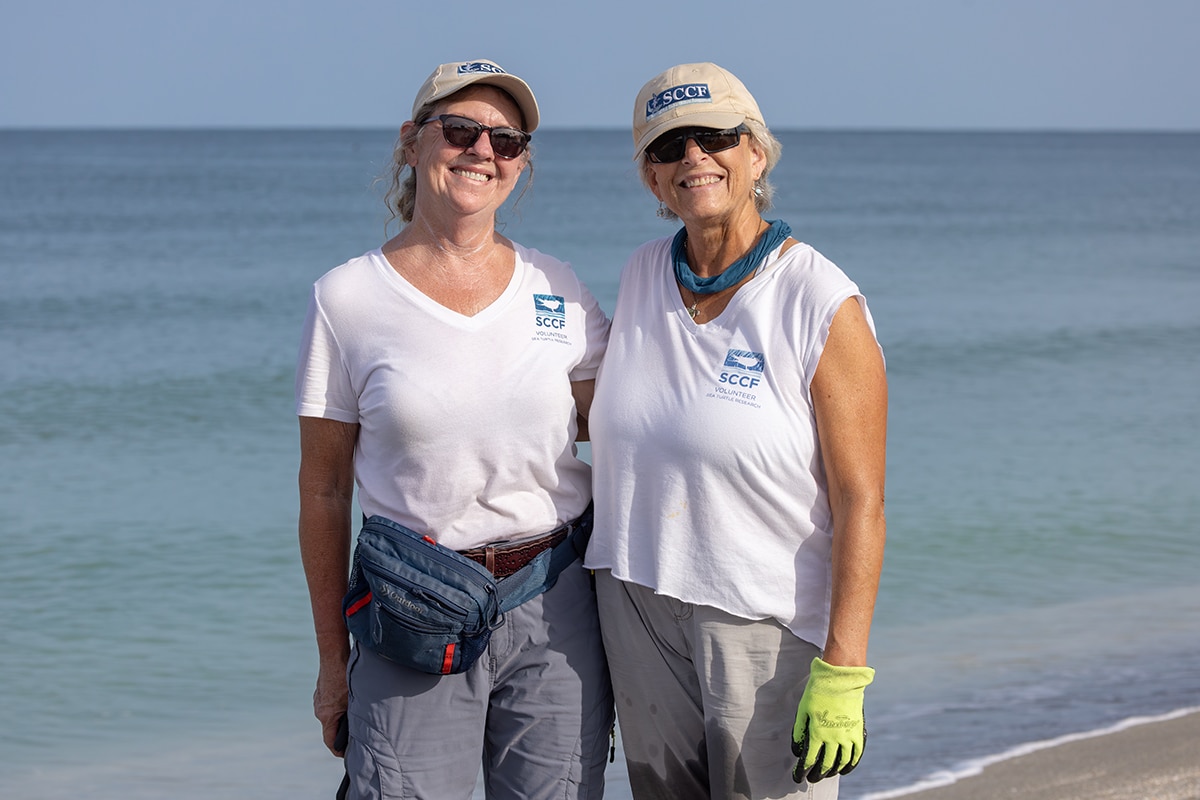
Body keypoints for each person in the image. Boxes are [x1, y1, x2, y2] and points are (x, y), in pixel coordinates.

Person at [296, 59, 613, 800]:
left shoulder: (558, 288)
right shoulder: (346, 298)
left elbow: (631, 435)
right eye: (462, 130)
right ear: (413, 142)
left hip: (554, 600)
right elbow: (322, 491)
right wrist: (331, 661)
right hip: (412, 610)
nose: (483, 151)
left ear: (521, 163)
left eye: (507, 140)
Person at [584, 63, 888, 800]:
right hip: (636, 605)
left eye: (716, 136)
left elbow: (862, 503)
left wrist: (844, 673)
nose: (693, 156)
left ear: (756, 153)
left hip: (762, 622)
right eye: (668, 146)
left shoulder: (819, 298)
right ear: (652, 178)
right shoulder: (641, 274)